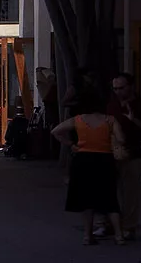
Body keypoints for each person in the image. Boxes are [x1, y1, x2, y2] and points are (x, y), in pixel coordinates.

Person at [51, 87, 124, 245]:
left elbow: (56, 131)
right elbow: (121, 139)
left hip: (83, 160)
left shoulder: (78, 120)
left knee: (86, 200)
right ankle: (119, 235)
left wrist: (71, 144)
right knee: (110, 198)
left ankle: (87, 235)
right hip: (105, 160)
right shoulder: (110, 120)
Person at [108, 72, 141, 239]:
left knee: (130, 194)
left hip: (132, 153)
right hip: (110, 153)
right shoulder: (111, 103)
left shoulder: (140, 106)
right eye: (115, 88)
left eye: (121, 88)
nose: (118, 92)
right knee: (108, 191)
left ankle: (128, 227)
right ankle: (110, 224)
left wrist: (134, 120)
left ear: (130, 87)